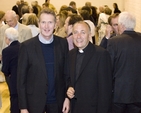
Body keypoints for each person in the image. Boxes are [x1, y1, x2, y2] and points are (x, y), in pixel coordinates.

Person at [17, 8, 69, 113]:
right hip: (34, 103)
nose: (46, 26)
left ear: (55, 25)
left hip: (57, 102)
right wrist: (23, 107)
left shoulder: (63, 44)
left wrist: (67, 98)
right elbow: (21, 80)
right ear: (39, 24)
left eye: (50, 22)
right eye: (43, 22)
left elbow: (66, 73)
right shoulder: (26, 46)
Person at [66, 21, 112, 113]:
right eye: (75, 32)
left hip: (93, 109)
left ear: (89, 35)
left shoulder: (101, 54)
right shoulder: (70, 54)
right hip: (75, 108)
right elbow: (69, 79)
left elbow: (105, 90)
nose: (78, 36)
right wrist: (69, 88)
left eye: (83, 32)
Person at [107, 12, 141, 113]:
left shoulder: (114, 42)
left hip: (119, 94)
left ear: (121, 25)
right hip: (138, 93)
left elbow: (109, 67)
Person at [1, 27, 20, 113]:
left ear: (7, 38)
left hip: (13, 79)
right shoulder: (24, 47)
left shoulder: (6, 51)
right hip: (24, 78)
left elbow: (5, 69)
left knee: (14, 99)